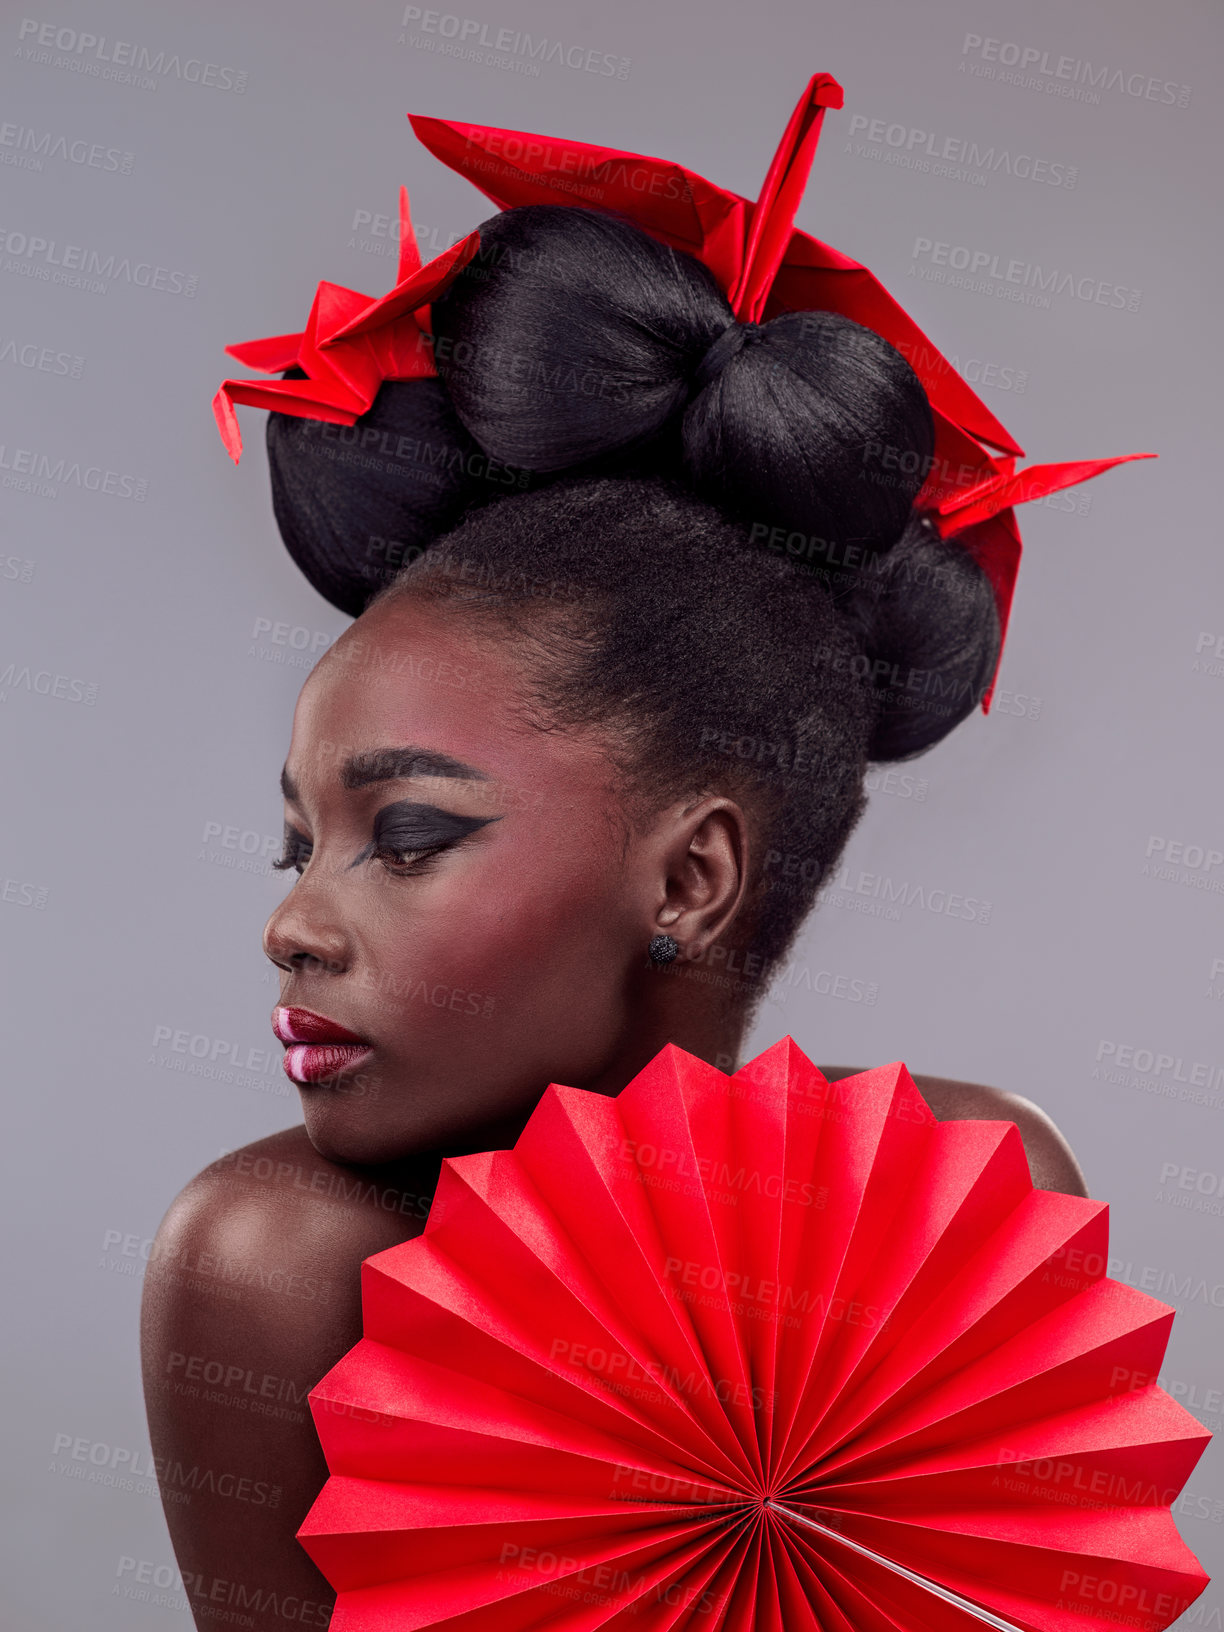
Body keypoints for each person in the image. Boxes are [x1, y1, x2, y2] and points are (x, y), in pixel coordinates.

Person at [141, 82, 1125, 1630]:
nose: (290, 925)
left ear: (691, 879)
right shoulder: (283, 1264)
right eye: (298, 838)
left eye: (406, 839)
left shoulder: (977, 1185)